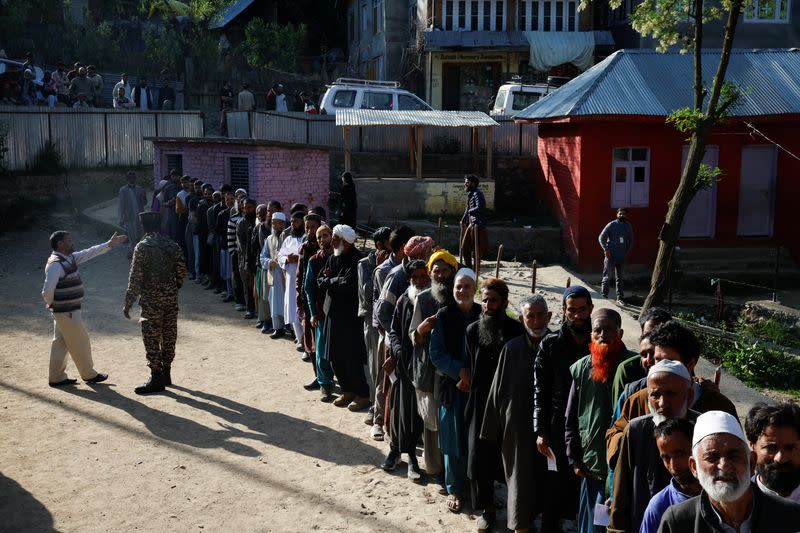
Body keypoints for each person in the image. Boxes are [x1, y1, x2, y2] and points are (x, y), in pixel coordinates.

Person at [606, 320, 738, 471]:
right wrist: (635, 444)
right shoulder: (638, 400)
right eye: (656, 360)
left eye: (668, 362)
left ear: (690, 364)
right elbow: (615, 435)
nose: (658, 367)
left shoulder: (717, 408)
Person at [480, 294, 552, 533]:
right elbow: (496, 391)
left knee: (549, 480)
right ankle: (521, 526)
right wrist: (490, 429)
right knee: (520, 479)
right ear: (522, 319)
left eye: (541, 315)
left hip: (549, 428)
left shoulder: (556, 346)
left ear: (549, 316)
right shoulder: (512, 349)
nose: (536, 320)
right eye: (530, 316)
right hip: (517, 427)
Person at [658, 410, 800, 532]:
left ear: (751, 462)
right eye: (712, 457)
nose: (724, 466)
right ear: (694, 467)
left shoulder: (791, 517)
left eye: (733, 455)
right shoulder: (677, 522)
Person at [462, 277, 525, 530]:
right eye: (485, 300)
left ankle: (516, 510)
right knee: (479, 457)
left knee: (511, 455)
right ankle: (487, 509)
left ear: (504, 302)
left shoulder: (516, 331)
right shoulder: (472, 330)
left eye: (494, 301)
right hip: (480, 400)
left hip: (509, 400)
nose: (488, 305)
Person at [609, 359, 698, 533]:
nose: (663, 403)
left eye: (671, 394)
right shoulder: (636, 430)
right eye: (655, 395)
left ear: (689, 396)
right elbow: (621, 491)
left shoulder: (703, 428)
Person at [534, 285, 594, 532]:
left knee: (586, 486)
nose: (578, 315)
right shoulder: (550, 345)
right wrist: (540, 430)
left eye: (583, 310)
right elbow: (540, 391)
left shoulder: (598, 342)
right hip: (557, 426)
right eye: (572, 310)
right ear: (564, 311)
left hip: (589, 426)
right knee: (554, 485)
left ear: (591, 309)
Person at [565, 308, 626, 532]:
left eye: (608, 329)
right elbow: (570, 415)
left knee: (609, 521)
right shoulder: (582, 367)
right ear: (591, 335)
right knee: (590, 522)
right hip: (589, 460)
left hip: (619, 463)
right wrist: (573, 455)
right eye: (597, 330)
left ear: (619, 333)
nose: (602, 335)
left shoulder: (631, 367)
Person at [42, 230, 127, 386]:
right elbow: (47, 290)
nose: (72, 242)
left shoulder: (68, 258)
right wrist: (53, 304)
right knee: (80, 341)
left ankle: (56, 377)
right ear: (61, 244)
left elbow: (89, 253)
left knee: (60, 343)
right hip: (67, 312)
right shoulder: (56, 264)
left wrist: (108, 244)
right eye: (69, 240)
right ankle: (89, 375)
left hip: (64, 311)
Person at [429, 268, 481, 514]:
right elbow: (436, 353)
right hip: (451, 387)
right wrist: (460, 371)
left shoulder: (484, 314)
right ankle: (454, 489)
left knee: (477, 439)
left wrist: (473, 375)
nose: (462, 291)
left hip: (478, 388)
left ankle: (477, 488)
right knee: (452, 439)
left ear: (475, 289)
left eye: (467, 286)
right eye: (458, 286)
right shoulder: (443, 316)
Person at [410, 249, 459, 493]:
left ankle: (453, 474)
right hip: (427, 372)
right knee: (431, 424)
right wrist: (421, 329)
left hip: (451, 375)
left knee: (450, 424)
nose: (440, 275)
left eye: (445, 270)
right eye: (436, 271)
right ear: (430, 273)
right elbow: (412, 335)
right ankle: (435, 471)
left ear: (453, 272)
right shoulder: (423, 298)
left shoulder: (458, 297)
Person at [123, 212, 187, 394]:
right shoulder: (172, 245)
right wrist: (174, 287)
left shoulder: (142, 247)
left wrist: (129, 301)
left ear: (144, 226)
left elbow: (135, 278)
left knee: (151, 336)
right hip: (170, 298)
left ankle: (156, 376)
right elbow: (182, 270)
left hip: (151, 300)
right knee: (169, 334)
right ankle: (166, 373)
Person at [384, 259, 430, 481]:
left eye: (424, 276)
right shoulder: (404, 299)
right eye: (415, 277)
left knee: (414, 414)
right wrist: (398, 349)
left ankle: (412, 456)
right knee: (398, 408)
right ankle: (395, 450)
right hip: (403, 364)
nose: (420, 281)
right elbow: (393, 330)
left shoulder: (433, 301)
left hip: (424, 369)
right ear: (409, 278)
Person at [317, 224, 370, 411]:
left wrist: (331, 281)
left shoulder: (358, 259)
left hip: (350, 318)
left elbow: (348, 284)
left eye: (336, 238)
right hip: (333, 314)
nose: (332, 241)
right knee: (334, 356)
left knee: (351, 358)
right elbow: (320, 280)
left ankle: (362, 394)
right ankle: (347, 391)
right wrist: (334, 282)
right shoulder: (332, 258)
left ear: (346, 242)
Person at [371, 225, 416, 440]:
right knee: (386, 380)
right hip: (390, 336)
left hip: (412, 339)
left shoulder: (419, 271)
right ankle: (379, 420)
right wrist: (395, 336)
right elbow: (381, 310)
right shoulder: (390, 273)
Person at [638, 417, 701, 533]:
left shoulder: (721, 495)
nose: (673, 466)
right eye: (666, 458)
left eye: (679, 454)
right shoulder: (659, 506)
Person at [359, 226, 392, 431]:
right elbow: (365, 295)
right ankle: (374, 406)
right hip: (372, 322)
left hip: (390, 326)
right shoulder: (365, 264)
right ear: (380, 245)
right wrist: (378, 271)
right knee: (374, 366)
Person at [611, 307, 673, 407]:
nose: (653, 340)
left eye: (661, 335)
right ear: (642, 332)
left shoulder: (679, 364)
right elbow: (620, 416)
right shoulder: (627, 370)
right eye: (648, 334)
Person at [745, 402, 800, 503]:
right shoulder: (738, 502)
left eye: (790, 447)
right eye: (771, 447)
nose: (780, 458)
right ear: (753, 447)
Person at [306, 224, 335, 400]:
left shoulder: (341, 257)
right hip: (321, 312)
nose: (322, 239)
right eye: (319, 237)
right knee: (322, 348)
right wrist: (312, 312)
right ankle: (324, 383)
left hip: (339, 313)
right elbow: (308, 288)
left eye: (325, 235)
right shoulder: (314, 260)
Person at [296, 213, 323, 382]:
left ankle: (326, 377)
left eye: (313, 227)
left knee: (323, 342)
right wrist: (299, 297)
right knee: (310, 340)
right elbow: (300, 275)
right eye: (307, 227)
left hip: (322, 303)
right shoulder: (304, 248)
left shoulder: (325, 249)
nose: (310, 230)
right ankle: (317, 375)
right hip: (307, 300)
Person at [278, 211, 306, 349]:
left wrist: (299, 258)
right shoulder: (288, 239)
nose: (293, 224)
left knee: (303, 308)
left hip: (303, 278)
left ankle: (307, 341)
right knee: (293, 308)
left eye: (296, 221)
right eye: (292, 221)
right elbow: (279, 256)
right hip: (290, 279)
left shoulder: (307, 239)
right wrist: (287, 259)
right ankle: (300, 339)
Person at [598, 208, 634, 304]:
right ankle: (604, 296)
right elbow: (601, 237)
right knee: (607, 277)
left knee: (620, 278)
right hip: (610, 256)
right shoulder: (612, 225)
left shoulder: (628, 226)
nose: (622, 215)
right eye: (620, 214)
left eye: (624, 214)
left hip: (621, 257)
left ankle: (620, 298)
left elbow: (631, 240)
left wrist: (626, 252)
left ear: (626, 215)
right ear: (617, 214)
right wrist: (606, 249)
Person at [253, 202, 275, 331]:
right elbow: (255, 248)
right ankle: (265, 320)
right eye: (268, 211)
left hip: (278, 268)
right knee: (263, 295)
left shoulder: (285, 227)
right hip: (263, 266)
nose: (269, 213)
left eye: (272, 211)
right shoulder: (260, 228)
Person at [264, 212, 287, 335]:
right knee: (275, 302)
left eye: (277, 223)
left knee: (288, 302)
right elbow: (263, 257)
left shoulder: (289, 238)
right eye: (273, 223)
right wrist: (269, 262)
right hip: (273, 274)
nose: (275, 226)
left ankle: (291, 328)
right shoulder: (269, 239)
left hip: (286, 275)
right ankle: (278, 328)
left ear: (283, 224)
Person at [460, 174, 487, 271]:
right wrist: (463, 220)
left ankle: (475, 271)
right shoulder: (471, 193)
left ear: (473, 183)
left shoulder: (478, 193)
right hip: (471, 224)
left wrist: (470, 211)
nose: (465, 184)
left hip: (477, 225)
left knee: (476, 250)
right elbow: (467, 208)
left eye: (467, 182)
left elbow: (481, 207)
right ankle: (469, 269)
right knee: (465, 248)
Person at [236, 198, 258, 319]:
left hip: (257, 259)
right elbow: (241, 244)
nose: (247, 209)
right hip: (245, 260)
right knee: (247, 285)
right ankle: (250, 309)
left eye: (250, 207)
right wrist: (248, 260)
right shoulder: (241, 223)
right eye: (245, 207)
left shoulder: (258, 221)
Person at [118, 171, 147, 259]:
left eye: (133, 178)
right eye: (130, 178)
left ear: (135, 178)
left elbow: (145, 203)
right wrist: (120, 218)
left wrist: (143, 197)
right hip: (129, 217)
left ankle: (135, 252)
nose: (132, 179)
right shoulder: (123, 190)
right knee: (132, 236)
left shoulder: (140, 189)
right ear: (127, 179)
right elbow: (121, 205)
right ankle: (133, 253)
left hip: (139, 216)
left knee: (140, 235)